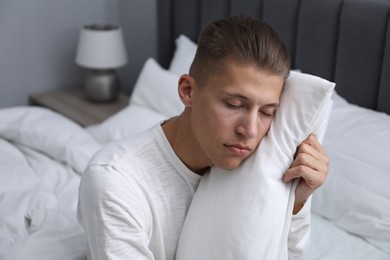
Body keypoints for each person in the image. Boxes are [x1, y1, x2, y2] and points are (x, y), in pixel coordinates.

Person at [77, 15, 328, 259]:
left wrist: (296, 202)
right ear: (187, 91)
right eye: (233, 104)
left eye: (266, 112)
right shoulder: (115, 182)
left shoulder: (262, 168)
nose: (250, 130)